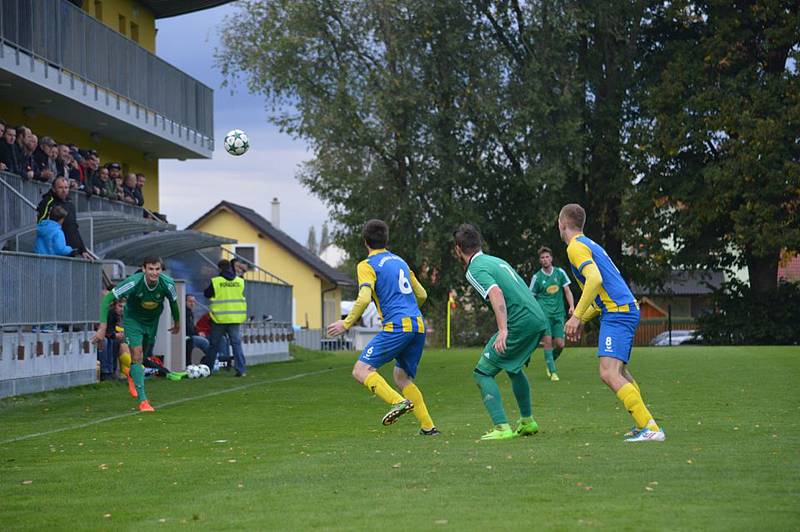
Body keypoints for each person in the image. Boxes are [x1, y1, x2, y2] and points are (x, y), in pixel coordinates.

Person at [559, 203, 665, 442]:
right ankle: (644, 425)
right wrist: (581, 319)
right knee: (619, 371)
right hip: (623, 310)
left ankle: (651, 428)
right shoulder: (589, 244)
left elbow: (594, 280)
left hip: (618, 313)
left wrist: (576, 316)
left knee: (608, 372)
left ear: (562, 223)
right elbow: (599, 296)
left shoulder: (575, 247)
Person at [327, 219, 438, 435]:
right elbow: (422, 294)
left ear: (365, 241)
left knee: (361, 370)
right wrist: (410, 310)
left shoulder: (367, 265)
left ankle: (398, 402)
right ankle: (428, 427)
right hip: (417, 324)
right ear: (386, 240)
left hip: (398, 326)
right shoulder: (400, 262)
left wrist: (346, 323)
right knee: (402, 377)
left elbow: (363, 298)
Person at [454, 223, 547, 441]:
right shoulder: (496, 260)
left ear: (458, 249)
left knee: (482, 372)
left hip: (519, 322)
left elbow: (495, 293)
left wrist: (503, 330)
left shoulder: (474, 269)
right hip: (537, 318)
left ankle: (501, 427)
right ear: (479, 243)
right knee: (513, 368)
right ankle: (527, 422)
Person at [93, 256, 181, 412]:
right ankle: (143, 401)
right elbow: (108, 299)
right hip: (133, 320)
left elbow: (174, 303)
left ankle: (133, 374)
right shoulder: (133, 282)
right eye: (151, 269)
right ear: (144, 269)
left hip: (152, 322)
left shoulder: (168, 284)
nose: (154, 273)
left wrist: (177, 322)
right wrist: (102, 328)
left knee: (143, 356)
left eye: (157, 269)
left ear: (161, 270)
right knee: (137, 354)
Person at [529, 246, 575, 381]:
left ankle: (550, 362)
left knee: (560, 344)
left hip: (559, 314)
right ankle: (553, 372)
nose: (545, 259)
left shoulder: (560, 273)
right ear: (540, 260)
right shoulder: (537, 277)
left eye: (547, 257)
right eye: (542, 257)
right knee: (548, 342)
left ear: (551, 258)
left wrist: (572, 306)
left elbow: (567, 291)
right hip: (544, 315)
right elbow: (530, 296)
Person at [201, 259, 248, 376]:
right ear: (230, 268)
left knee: (214, 345)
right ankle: (241, 370)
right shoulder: (240, 281)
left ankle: (208, 369)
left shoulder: (216, 281)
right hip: (235, 319)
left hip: (219, 319)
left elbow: (207, 294)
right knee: (236, 344)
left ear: (219, 268)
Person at [36, 176, 92, 260]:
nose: (64, 190)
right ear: (54, 189)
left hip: (70, 251)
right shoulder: (48, 201)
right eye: (60, 187)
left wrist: (82, 250)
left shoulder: (70, 204)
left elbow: (74, 229)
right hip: (55, 252)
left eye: (66, 187)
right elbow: (42, 224)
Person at [185, 294, 213, 366]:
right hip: (187, 337)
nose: (192, 303)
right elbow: (189, 330)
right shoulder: (185, 313)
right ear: (185, 302)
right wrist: (198, 334)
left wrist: (199, 332)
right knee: (204, 342)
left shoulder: (190, 312)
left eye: (194, 302)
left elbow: (193, 328)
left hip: (191, 335)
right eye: (190, 301)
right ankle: (210, 362)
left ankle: (213, 360)